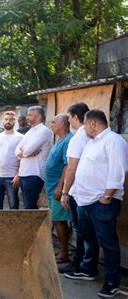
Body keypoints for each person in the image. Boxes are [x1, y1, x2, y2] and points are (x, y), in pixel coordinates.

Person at [63, 110, 126, 298]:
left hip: (102, 201)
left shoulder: (113, 141)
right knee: (89, 238)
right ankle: (89, 271)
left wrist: (107, 195)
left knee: (109, 243)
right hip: (85, 201)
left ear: (92, 123)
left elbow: (119, 169)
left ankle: (112, 282)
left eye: (85, 125)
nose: (84, 129)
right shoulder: (92, 142)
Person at [60, 102, 99, 275]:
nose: (70, 122)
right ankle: (82, 265)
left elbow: (71, 168)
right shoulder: (92, 136)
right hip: (89, 190)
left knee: (82, 230)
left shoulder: (79, 137)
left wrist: (65, 192)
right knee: (85, 231)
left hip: (78, 191)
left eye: (70, 118)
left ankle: (82, 266)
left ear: (76, 117)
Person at [45, 114, 73, 263]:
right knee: (56, 220)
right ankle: (62, 251)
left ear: (62, 124)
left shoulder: (69, 140)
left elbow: (67, 165)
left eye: (54, 122)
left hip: (57, 188)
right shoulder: (60, 140)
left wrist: (60, 187)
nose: (51, 124)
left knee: (59, 220)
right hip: (51, 188)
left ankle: (64, 253)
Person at [15, 106, 52, 209]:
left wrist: (24, 153)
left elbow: (27, 150)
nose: (27, 117)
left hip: (34, 173)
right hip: (24, 172)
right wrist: (24, 153)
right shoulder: (31, 131)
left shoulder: (44, 131)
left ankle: (34, 226)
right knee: (27, 206)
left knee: (30, 207)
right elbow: (17, 149)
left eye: (30, 115)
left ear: (38, 117)